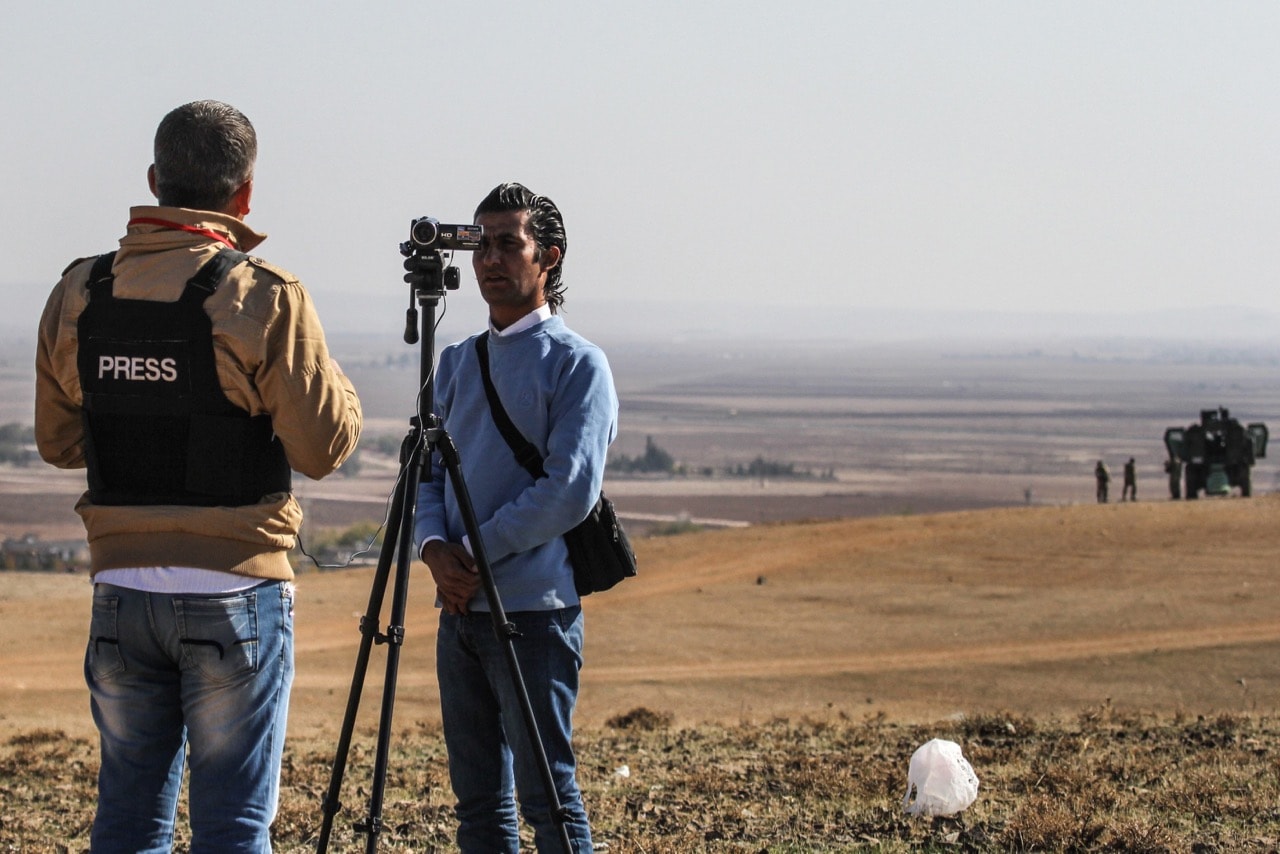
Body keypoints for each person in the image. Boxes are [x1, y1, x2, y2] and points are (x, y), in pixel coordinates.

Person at [34, 100, 362, 851]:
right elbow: (323, 448)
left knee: (126, 819)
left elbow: (57, 442)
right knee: (235, 825)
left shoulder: (79, 292)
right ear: (244, 194)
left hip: (120, 593)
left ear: (154, 180)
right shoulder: (261, 295)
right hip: (235, 595)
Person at [414, 182, 617, 853]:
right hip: (460, 614)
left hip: (533, 613)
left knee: (548, 800)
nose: (490, 260)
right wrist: (435, 548)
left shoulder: (579, 365)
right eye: (481, 244)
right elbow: (426, 472)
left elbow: (570, 490)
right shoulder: (455, 361)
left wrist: (471, 554)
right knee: (478, 808)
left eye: (509, 243)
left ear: (548, 257)